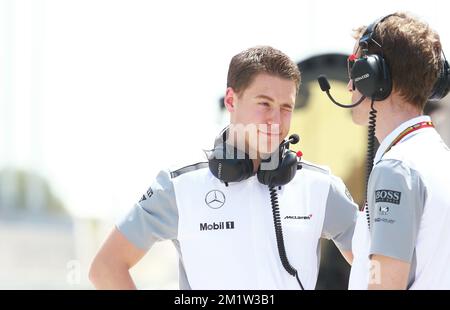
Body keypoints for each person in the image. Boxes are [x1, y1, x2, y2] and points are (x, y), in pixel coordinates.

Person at [89, 45, 357, 290]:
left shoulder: (321, 187)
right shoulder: (179, 187)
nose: (275, 119)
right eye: (264, 104)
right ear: (231, 100)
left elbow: (381, 266)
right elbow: (105, 268)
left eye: (286, 107)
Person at [343, 12, 450, 289]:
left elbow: (384, 283)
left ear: (373, 74)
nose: (349, 85)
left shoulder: (397, 168)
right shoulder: (439, 159)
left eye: (354, 67)